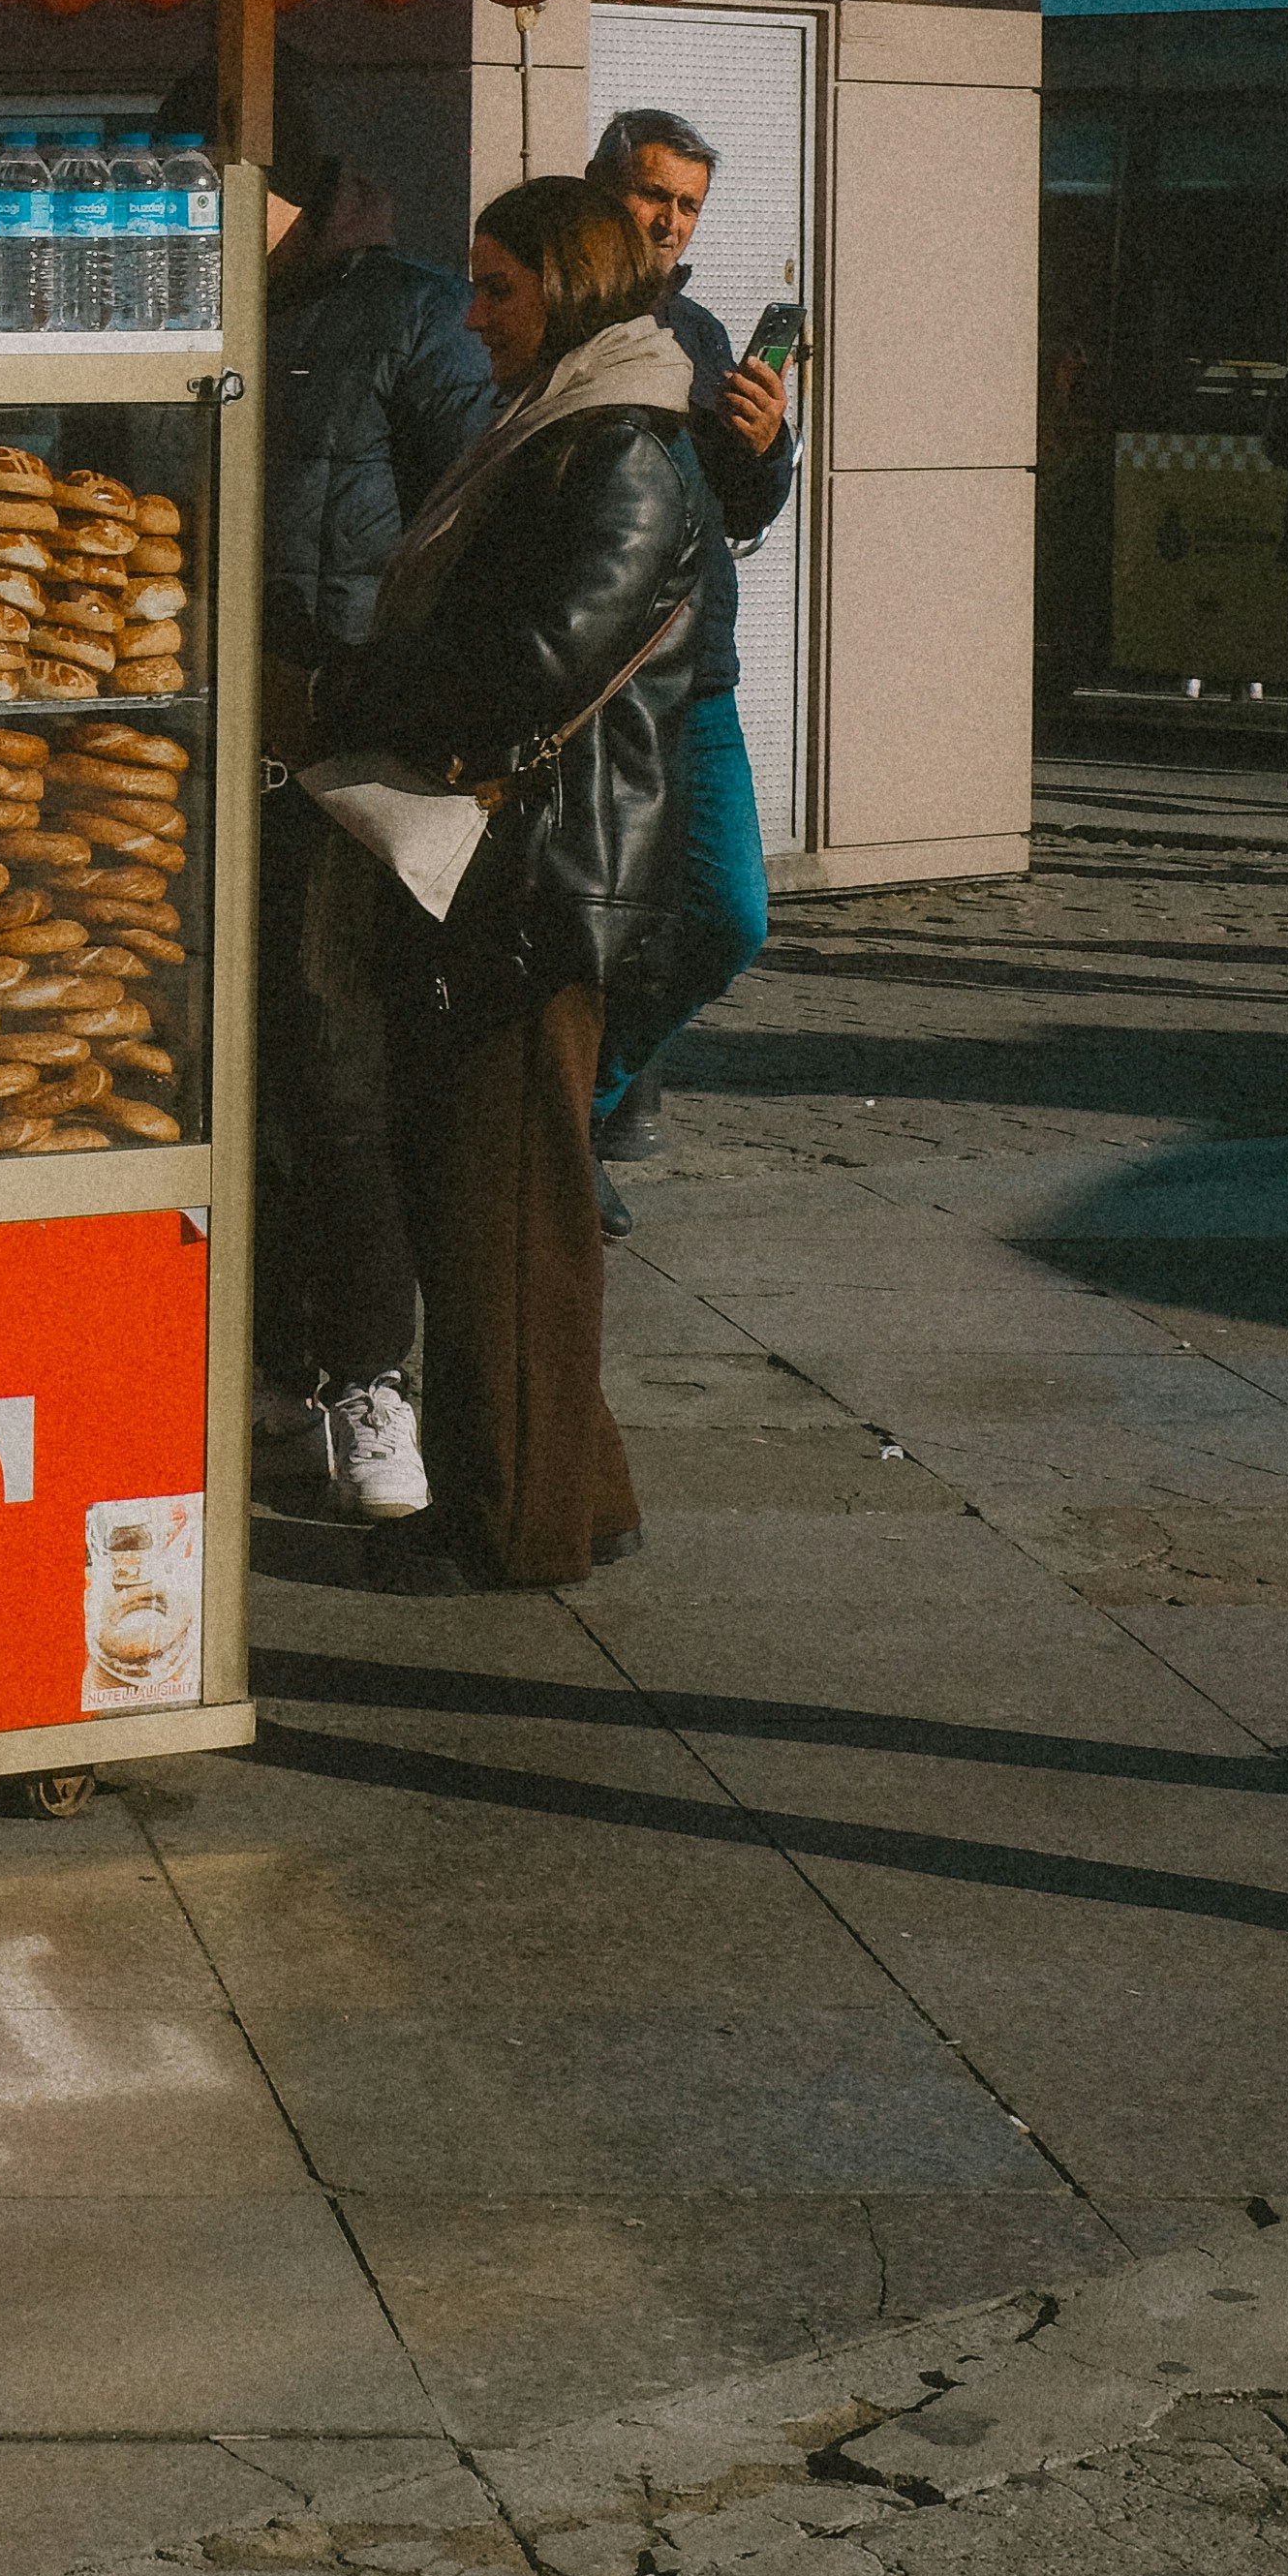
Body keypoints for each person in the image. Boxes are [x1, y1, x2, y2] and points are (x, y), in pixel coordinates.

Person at [307, 176, 706, 1591]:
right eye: (472, 286)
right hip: (521, 876)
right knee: (499, 1205)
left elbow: (532, 665)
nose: (472, 317)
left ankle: (512, 1529)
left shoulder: (618, 454)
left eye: (499, 289)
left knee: (511, 1216)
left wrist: (352, 690)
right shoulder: (555, 430)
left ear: (575, 290)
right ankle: (574, 1489)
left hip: (545, 882)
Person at [252, 155, 493, 1519]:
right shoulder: (181, 298)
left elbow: (461, 533)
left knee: (337, 1066)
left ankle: (366, 1375)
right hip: (198, 736)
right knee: (231, 1066)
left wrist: (373, 692)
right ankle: (274, 1353)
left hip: (342, 752)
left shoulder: (408, 315)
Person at [583, 106, 798, 1212]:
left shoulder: (707, 332)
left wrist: (769, 447)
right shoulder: (557, 313)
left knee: (729, 912)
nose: (668, 221)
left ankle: (589, 1105)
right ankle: (557, 1131)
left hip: (694, 671)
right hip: (587, 675)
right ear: (603, 189)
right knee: (586, 918)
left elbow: (740, 500)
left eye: (686, 206)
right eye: (652, 195)